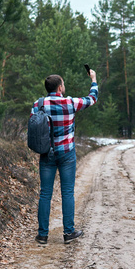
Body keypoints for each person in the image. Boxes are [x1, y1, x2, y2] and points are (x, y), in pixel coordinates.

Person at [31, 69, 98, 244]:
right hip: (67, 154)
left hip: (47, 153)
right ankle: (68, 233)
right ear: (60, 87)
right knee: (67, 192)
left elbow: (35, 125)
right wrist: (93, 80)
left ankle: (42, 235)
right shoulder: (70, 103)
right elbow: (92, 99)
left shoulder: (38, 104)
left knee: (45, 193)